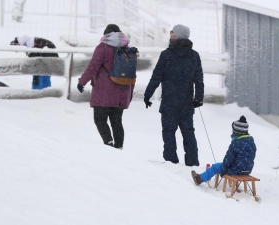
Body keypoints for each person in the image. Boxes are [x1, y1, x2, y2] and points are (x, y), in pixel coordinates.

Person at [144, 24, 204, 166]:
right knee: (188, 132)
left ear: (176, 36)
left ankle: (171, 161)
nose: (170, 33)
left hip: (169, 102)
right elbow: (199, 79)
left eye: (172, 32)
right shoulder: (194, 55)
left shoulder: (166, 55)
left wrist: (147, 95)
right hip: (187, 102)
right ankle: (192, 162)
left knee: (169, 132)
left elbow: (156, 77)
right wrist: (198, 98)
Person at [77, 24, 134, 150]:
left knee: (100, 120)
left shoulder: (102, 47)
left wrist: (82, 82)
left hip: (104, 91)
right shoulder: (127, 49)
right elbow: (131, 74)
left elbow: (93, 67)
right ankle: (119, 147)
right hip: (122, 91)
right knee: (117, 121)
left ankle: (108, 143)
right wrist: (130, 93)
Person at [191, 116, 257, 186]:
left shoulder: (235, 143)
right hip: (247, 170)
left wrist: (223, 170)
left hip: (235, 170)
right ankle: (202, 177)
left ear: (236, 132)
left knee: (215, 167)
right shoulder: (251, 142)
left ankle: (199, 179)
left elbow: (228, 158)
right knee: (229, 164)